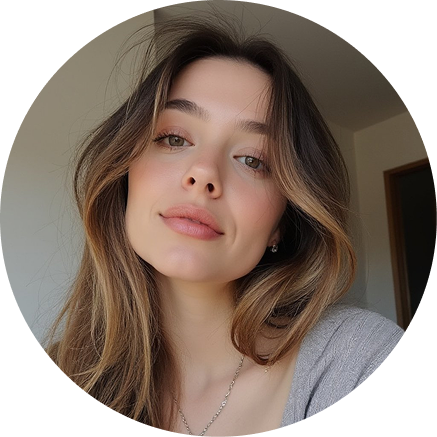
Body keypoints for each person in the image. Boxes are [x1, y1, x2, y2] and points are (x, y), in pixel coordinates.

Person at [46, 15, 404, 435]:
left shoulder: (358, 360)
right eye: (174, 138)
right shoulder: (66, 365)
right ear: (125, 174)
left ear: (282, 223)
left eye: (253, 160)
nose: (203, 173)